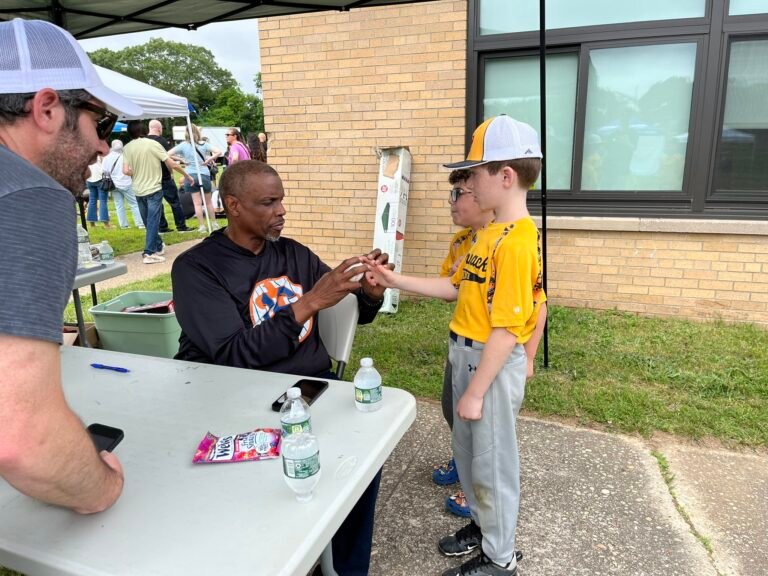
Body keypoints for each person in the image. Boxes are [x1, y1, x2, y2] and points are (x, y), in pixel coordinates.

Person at [172, 160, 393, 575]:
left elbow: (351, 309)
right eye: (268, 203)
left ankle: (343, 569)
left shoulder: (293, 253)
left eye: (282, 201)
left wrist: (369, 294)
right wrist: (308, 302)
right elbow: (233, 356)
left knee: (361, 461)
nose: (281, 211)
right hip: (232, 395)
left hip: (310, 388)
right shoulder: (197, 268)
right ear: (233, 205)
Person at [365, 115, 547, 576]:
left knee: (492, 466)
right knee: (469, 458)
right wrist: (393, 280)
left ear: (505, 177)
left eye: (475, 174)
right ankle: (484, 530)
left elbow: (507, 330)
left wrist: (476, 392)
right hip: (466, 355)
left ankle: (500, 558)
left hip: (488, 365)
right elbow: (453, 287)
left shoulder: (518, 242)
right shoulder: (487, 234)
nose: (468, 183)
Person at [0, 18, 141, 514]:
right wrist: (100, 488)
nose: (103, 145)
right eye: (100, 123)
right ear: (46, 108)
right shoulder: (28, 195)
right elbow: (21, 438)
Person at [433, 170, 549, 520]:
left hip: (490, 356)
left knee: (490, 444)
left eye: (461, 192)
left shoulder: (512, 241)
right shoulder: (464, 242)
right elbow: (452, 287)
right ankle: (466, 468)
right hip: (462, 348)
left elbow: (535, 305)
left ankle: (486, 515)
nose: (453, 202)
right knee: (453, 409)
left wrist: (529, 357)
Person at [123, 120, 193, 264]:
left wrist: (137, 172)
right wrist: (186, 175)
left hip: (138, 189)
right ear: (144, 130)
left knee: (148, 221)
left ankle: (158, 245)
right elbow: (170, 163)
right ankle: (149, 253)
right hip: (153, 188)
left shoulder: (127, 147)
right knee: (153, 221)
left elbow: (125, 171)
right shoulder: (153, 144)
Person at [169, 123, 222, 233]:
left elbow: (167, 154)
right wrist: (209, 159)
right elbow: (219, 151)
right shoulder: (204, 144)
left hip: (190, 175)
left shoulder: (183, 145)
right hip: (204, 174)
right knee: (208, 202)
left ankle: (202, 226)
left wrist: (181, 160)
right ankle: (214, 223)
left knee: (197, 203)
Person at [146, 119, 193, 233]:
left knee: (157, 203)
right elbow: (167, 158)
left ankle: (162, 227)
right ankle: (181, 226)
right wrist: (171, 172)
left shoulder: (144, 141)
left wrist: (180, 159)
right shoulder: (161, 141)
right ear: (158, 128)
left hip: (150, 177)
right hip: (164, 176)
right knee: (175, 202)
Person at [102, 140, 144, 229]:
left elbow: (104, 171)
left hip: (113, 185)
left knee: (119, 205)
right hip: (126, 183)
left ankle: (124, 225)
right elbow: (130, 169)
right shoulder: (126, 156)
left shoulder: (107, 158)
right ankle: (140, 223)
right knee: (134, 204)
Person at [85, 156, 111, 228]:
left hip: (89, 179)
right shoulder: (99, 153)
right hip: (100, 178)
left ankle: (92, 224)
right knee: (103, 201)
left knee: (92, 200)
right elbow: (106, 165)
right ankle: (106, 225)